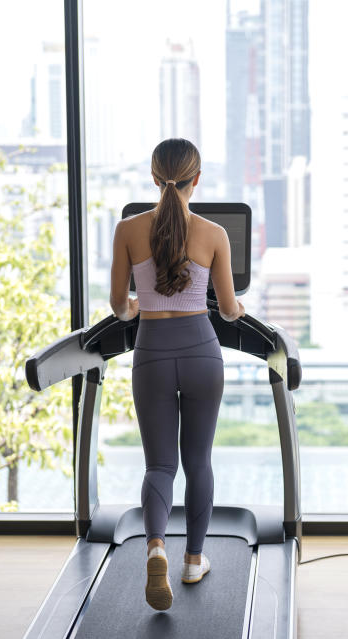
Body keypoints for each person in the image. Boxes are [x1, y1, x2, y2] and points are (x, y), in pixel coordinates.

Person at [109, 138, 245, 611]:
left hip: (151, 350)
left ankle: (155, 548)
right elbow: (227, 312)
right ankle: (193, 559)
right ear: (197, 178)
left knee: (160, 466)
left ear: (153, 177)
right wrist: (238, 305)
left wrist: (134, 307)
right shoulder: (214, 234)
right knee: (199, 461)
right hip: (202, 353)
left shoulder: (127, 230)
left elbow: (118, 307)